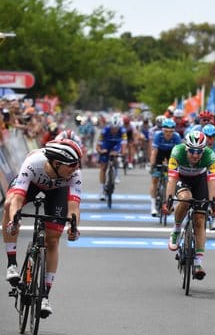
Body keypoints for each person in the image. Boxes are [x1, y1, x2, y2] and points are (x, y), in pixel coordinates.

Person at [3, 139, 82, 317]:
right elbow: (16, 198)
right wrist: (15, 219)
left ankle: (45, 295)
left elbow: (73, 208)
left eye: (77, 165)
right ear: (56, 163)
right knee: (9, 206)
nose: (76, 168)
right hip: (31, 185)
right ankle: (12, 264)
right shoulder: (33, 163)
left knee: (53, 239)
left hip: (57, 192)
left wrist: (74, 226)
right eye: (72, 165)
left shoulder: (74, 175)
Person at [163, 131, 215, 280]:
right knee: (186, 198)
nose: (195, 155)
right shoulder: (177, 152)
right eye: (192, 151)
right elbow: (171, 180)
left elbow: (212, 182)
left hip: (199, 180)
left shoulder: (209, 155)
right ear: (186, 148)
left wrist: (214, 203)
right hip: (182, 178)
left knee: (200, 220)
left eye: (199, 151)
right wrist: (167, 201)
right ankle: (176, 229)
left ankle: (198, 263)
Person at [148, 119, 182, 216]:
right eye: (166, 131)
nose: (168, 134)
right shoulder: (158, 135)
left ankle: (168, 202)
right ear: (162, 130)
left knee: (171, 180)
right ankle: (153, 206)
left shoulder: (176, 137)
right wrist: (152, 165)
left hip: (171, 153)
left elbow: (179, 153)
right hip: (160, 153)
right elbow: (154, 152)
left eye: (171, 132)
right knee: (154, 179)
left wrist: (178, 166)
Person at [97, 114, 128, 199]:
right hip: (106, 145)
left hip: (116, 145)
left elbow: (124, 143)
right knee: (103, 168)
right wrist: (100, 151)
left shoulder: (123, 130)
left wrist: (123, 153)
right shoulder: (104, 130)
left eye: (116, 128)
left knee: (115, 155)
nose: (114, 130)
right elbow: (98, 144)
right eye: (113, 128)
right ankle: (102, 190)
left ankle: (116, 173)